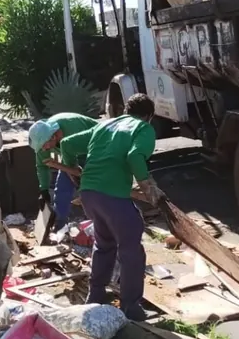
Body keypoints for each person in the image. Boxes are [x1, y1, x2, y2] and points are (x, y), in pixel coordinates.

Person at [60, 94, 167, 321]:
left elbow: (66, 144)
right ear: (149, 116)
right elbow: (135, 156)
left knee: (105, 243)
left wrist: (72, 171)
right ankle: (131, 308)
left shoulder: (105, 125)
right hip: (112, 196)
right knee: (131, 250)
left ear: (126, 110)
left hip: (89, 194)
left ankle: (96, 295)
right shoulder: (143, 129)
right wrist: (148, 186)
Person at [28, 112, 97, 229]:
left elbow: (80, 168)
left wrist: (82, 181)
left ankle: (101, 224)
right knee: (62, 189)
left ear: (53, 137)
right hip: (70, 155)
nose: (44, 149)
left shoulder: (73, 128)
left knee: (94, 190)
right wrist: (43, 189)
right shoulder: (43, 140)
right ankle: (60, 226)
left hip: (92, 150)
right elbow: (42, 166)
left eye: (45, 146)